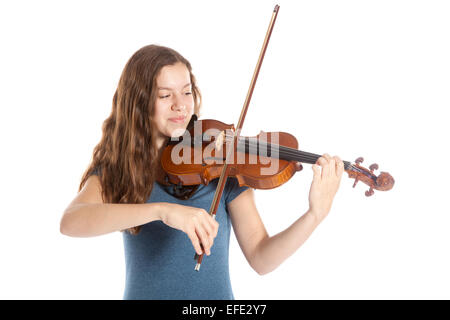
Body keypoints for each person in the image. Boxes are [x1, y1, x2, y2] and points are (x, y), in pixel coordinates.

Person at [60, 44, 344, 300]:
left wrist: (314, 215)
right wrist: (162, 211)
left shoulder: (221, 164)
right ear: (139, 101)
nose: (180, 105)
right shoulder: (121, 169)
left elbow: (261, 258)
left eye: (186, 92)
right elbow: (71, 222)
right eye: (164, 95)